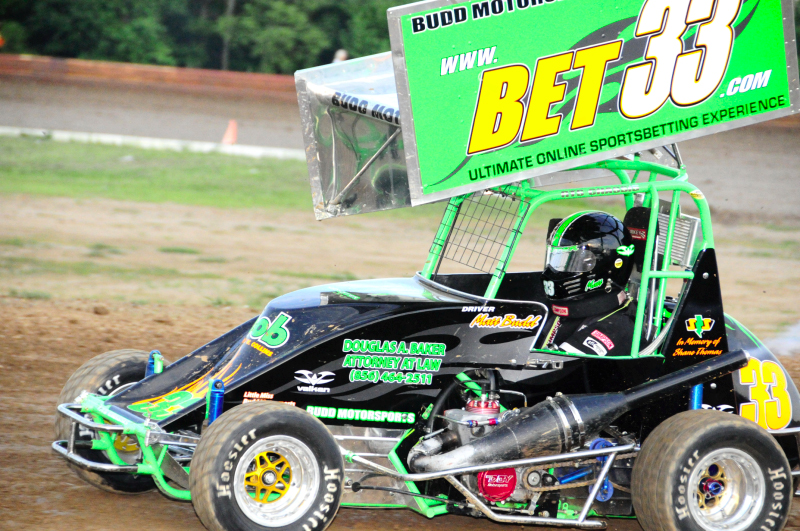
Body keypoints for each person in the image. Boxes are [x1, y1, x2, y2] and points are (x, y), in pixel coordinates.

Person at [539, 211, 637, 357]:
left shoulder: (615, 328)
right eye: (557, 259)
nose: (555, 271)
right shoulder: (555, 310)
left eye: (573, 262)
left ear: (606, 265)